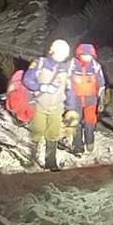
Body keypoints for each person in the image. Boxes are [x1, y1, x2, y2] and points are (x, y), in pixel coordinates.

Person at [23, 39, 70, 170]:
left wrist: (72, 105)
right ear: (51, 51)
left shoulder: (66, 68)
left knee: (53, 134)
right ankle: (31, 158)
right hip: (40, 105)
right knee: (37, 132)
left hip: (57, 107)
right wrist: (41, 87)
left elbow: (70, 88)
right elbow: (27, 79)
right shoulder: (39, 63)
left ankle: (51, 161)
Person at [66, 43, 106, 156]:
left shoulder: (95, 66)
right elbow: (65, 81)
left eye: (90, 55)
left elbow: (101, 85)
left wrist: (101, 101)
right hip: (75, 99)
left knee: (90, 121)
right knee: (75, 122)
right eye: (85, 55)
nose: (87, 57)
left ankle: (90, 141)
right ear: (79, 54)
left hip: (91, 99)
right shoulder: (72, 65)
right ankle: (77, 145)